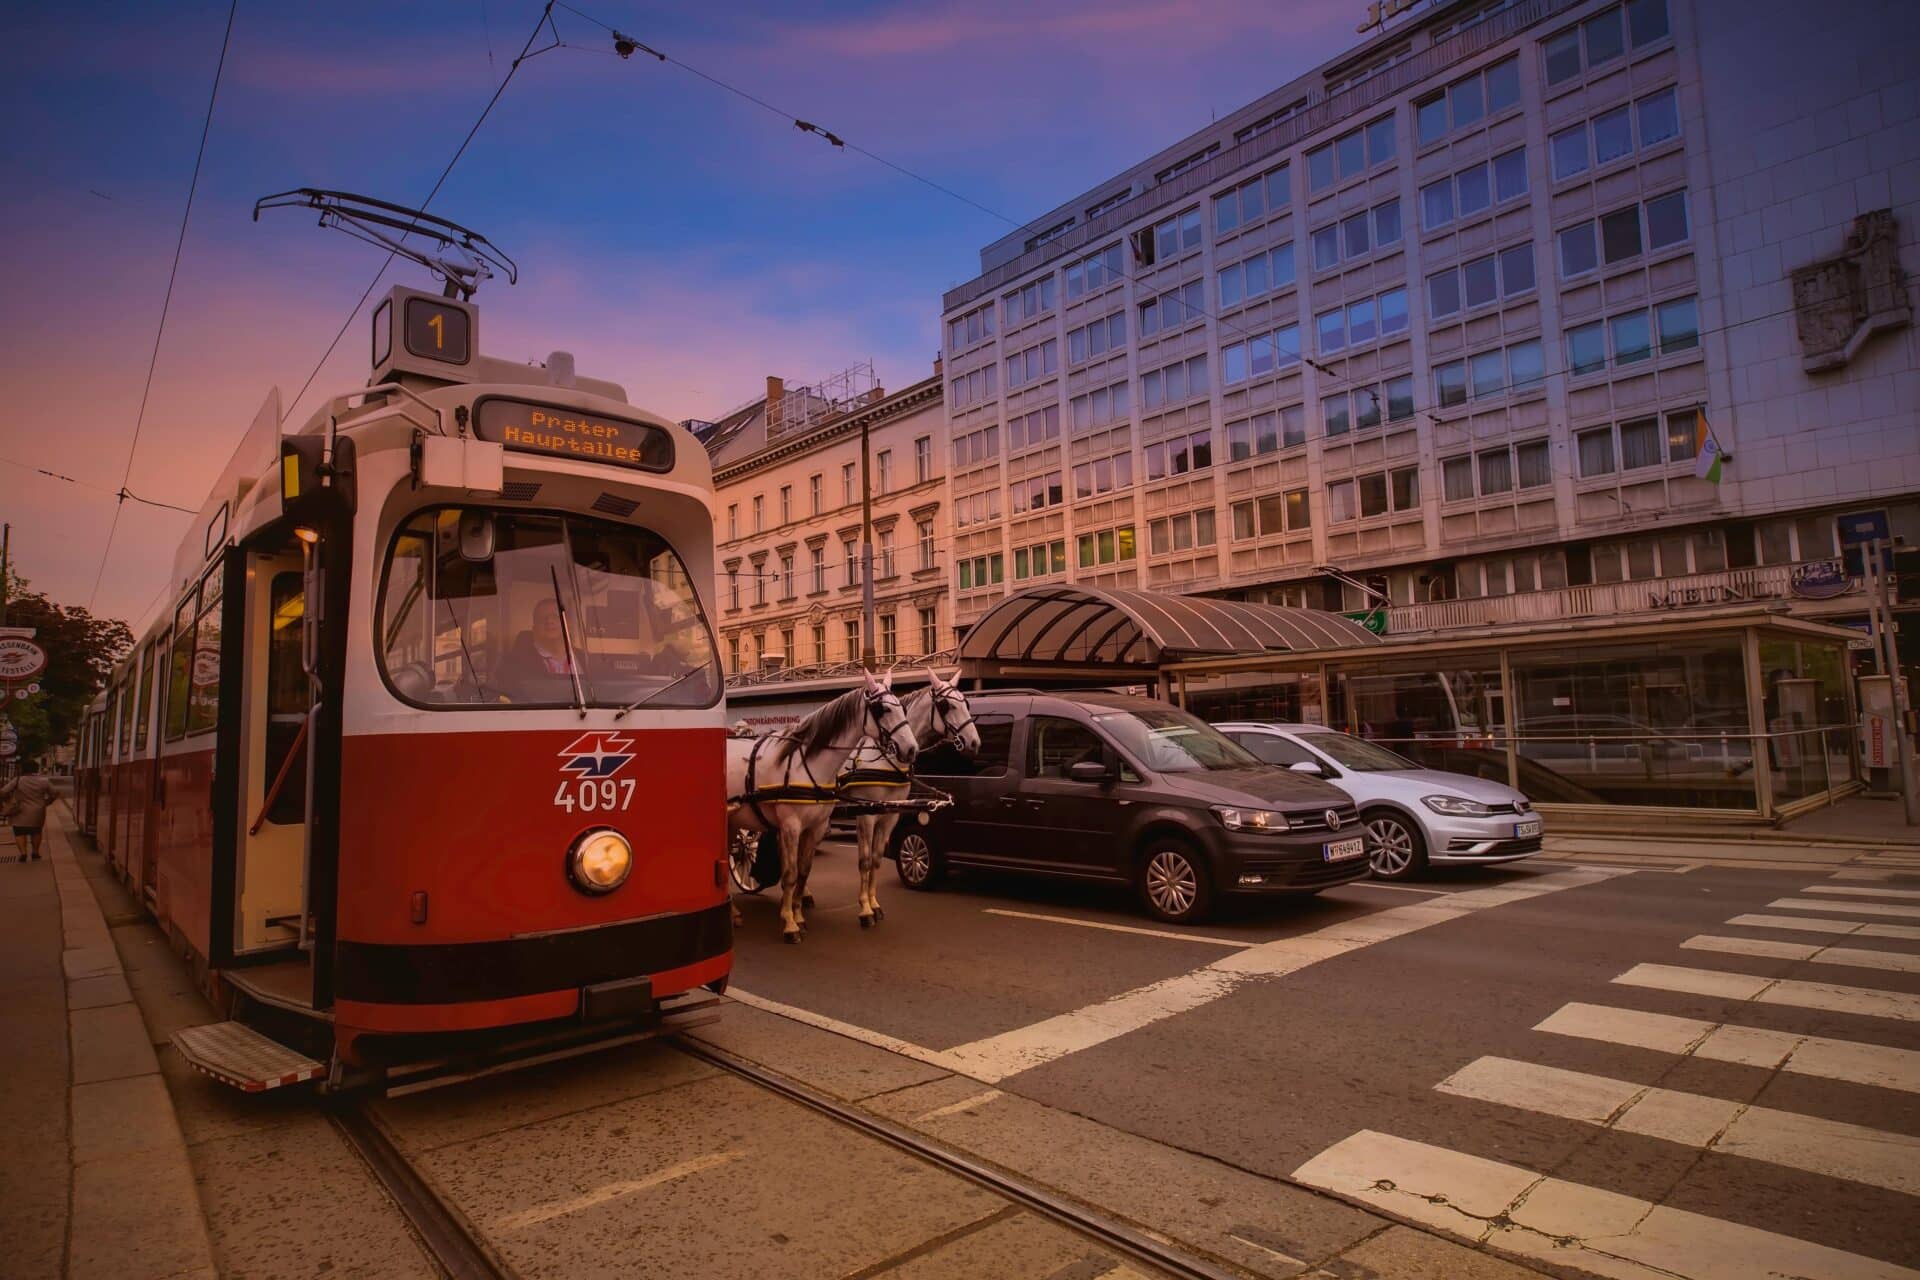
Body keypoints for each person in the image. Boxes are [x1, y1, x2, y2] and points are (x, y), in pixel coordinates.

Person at [497, 597, 581, 701]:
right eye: (542, 618)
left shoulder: (588, 661)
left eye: (555, 617)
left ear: (568, 625)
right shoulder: (512, 664)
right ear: (534, 629)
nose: (549, 621)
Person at [2, 758, 54, 862]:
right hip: (37, 811)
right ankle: (35, 852)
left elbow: (3, 792)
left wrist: (8, 800)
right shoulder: (43, 781)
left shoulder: (17, 780)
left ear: (23, 769)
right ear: (36, 768)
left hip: (20, 810)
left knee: (19, 832)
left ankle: (23, 853)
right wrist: (47, 802)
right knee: (36, 831)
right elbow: (55, 793)